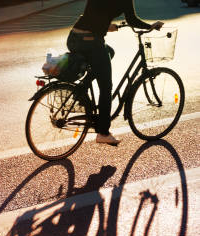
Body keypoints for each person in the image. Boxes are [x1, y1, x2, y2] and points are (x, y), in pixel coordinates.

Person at [67, 1, 163, 146]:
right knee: (106, 87)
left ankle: (82, 89)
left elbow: (92, 14)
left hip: (74, 37)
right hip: (91, 41)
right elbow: (132, 20)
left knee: (109, 52)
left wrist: (105, 26)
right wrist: (150, 26)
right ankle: (103, 133)